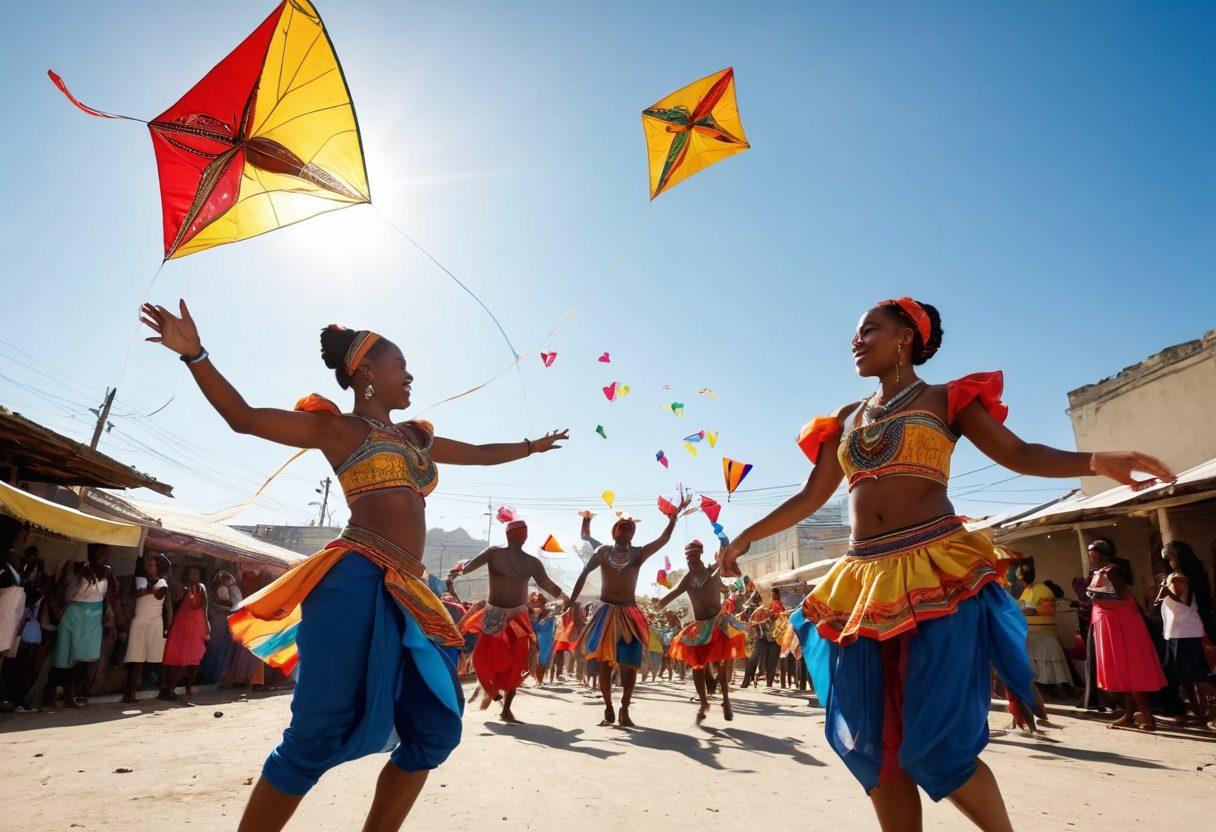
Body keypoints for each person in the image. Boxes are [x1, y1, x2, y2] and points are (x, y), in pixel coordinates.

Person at [721, 297, 1174, 830]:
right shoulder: (844, 420)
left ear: (904, 338)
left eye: (869, 330)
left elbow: (1019, 453)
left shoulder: (947, 399)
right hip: (862, 580)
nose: (856, 341)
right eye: (855, 333)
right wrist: (746, 537)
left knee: (932, 746)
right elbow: (809, 497)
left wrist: (1098, 460)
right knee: (879, 744)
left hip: (937, 569)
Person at [140, 302, 568, 831]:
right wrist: (195, 355)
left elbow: (478, 451)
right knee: (316, 732)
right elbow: (243, 418)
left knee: (435, 724)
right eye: (399, 365)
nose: (409, 375)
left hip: (410, 591)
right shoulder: (341, 432)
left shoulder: (416, 438)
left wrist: (532, 446)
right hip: (353, 577)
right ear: (366, 372)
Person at [567, 495, 689, 727]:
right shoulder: (603, 552)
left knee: (630, 664)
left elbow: (663, 540)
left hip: (629, 615)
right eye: (622, 528)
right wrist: (570, 601)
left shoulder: (638, 553)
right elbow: (583, 574)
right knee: (603, 663)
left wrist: (672, 520)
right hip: (605, 615)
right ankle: (609, 708)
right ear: (614, 531)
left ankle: (624, 707)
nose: (626, 531)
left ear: (633, 533)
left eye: (630, 528)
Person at [448, 518, 566, 723]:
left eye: (524, 531)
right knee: (483, 659)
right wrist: (457, 570)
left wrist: (563, 597)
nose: (521, 534)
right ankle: (493, 692)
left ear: (525, 536)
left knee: (520, 661)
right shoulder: (493, 553)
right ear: (509, 535)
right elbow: (468, 566)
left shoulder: (532, 563)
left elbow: (547, 584)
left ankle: (507, 709)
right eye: (518, 531)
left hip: (518, 618)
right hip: (493, 615)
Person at [659, 541, 745, 723]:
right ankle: (704, 703)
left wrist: (729, 553)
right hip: (699, 627)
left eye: (693, 555)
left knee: (723, 663)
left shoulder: (713, 571)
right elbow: (671, 594)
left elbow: (735, 572)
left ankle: (726, 700)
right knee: (697, 666)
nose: (690, 559)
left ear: (700, 554)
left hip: (718, 623)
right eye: (687, 556)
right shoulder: (687, 579)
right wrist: (657, 605)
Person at [1088, 555, 1166, 730]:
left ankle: (1147, 716)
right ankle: (1129, 715)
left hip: (1127, 632)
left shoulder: (1117, 586)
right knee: (1125, 673)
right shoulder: (1112, 582)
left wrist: (1095, 594)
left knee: (1133, 674)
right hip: (1119, 630)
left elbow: (1119, 598)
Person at [1154, 542, 1216, 729]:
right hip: (1175, 632)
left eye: (1171, 558)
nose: (1170, 561)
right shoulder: (1172, 577)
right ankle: (1201, 714)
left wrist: (1167, 591)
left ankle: (1211, 714)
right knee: (1186, 678)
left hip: (1186, 633)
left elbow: (1185, 600)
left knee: (1198, 676)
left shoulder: (1178, 578)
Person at [53, 544, 117, 708]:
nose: (103, 557)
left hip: (94, 619)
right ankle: (66, 696)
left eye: (105, 554)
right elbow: (78, 571)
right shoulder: (80, 567)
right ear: (91, 554)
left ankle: (72, 694)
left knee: (88, 659)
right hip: (74, 616)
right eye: (100, 553)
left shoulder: (107, 572)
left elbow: (106, 597)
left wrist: (107, 616)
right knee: (70, 659)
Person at [1016, 562, 1074, 697]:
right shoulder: (1027, 590)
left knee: (1050, 664)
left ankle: (1060, 690)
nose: (1021, 582)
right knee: (1037, 665)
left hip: (1044, 634)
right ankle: (1043, 690)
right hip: (1030, 634)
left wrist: (1032, 610)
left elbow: (1049, 610)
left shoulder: (1043, 590)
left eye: (1022, 579)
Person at [123, 553, 169, 703]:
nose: (150, 563)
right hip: (140, 621)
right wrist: (147, 590)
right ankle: (130, 695)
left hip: (155, 622)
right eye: (147, 561)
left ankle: (163, 687)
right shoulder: (140, 579)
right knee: (136, 658)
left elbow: (153, 592)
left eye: (153, 561)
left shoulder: (162, 581)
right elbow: (141, 592)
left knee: (156, 657)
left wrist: (146, 590)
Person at [160, 564, 210, 700]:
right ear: (186, 575)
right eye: (191, 573)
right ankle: (169, 689)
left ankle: (187, 688)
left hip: (196, 627)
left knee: (195, 658)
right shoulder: (181, 588)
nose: (194, 576)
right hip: (181, 626)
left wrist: (206, 626)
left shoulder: (202, 589)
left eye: (196, 573)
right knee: (177, 659)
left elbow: (204, 609)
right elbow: (172, 604)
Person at [200, 570, 241, 684]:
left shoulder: (216, 588)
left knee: (216, 648)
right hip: (222, 620)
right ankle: (213, 675)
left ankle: (210, 674)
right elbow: (231, 604)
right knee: (219, 649)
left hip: (219, 620)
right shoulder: (222, 589)